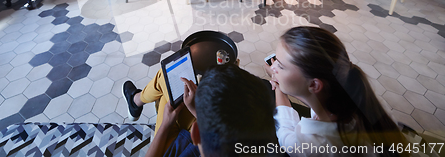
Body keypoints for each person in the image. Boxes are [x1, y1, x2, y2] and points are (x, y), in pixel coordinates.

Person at [268, 26, 410, 157]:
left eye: (280, 65)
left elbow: (286, 137)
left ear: (314, 85)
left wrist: (279, 88)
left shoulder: (317, 142)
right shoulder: (367, 100)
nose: (273, 66)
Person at [123, 64, 279, 157]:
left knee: (166, 78)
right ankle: (136, 100)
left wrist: (166, 124)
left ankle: (135, 101)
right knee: (172, 86)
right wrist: (194, 109)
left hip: (176, 147)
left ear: (196, 132)